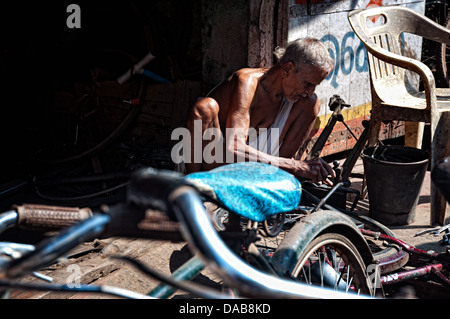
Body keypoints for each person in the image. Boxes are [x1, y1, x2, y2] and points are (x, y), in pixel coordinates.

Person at [180, 37, 336, 185]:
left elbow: (285, 162)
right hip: (217, 164)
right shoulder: (247, 83)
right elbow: (233, 149)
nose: (309, 91)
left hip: (260, 170)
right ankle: (193, 185)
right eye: (307, 84)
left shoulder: (305, 102)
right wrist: (296, 166)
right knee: (205, 107)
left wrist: (302, 170)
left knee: (312, 102)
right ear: (287, 69)